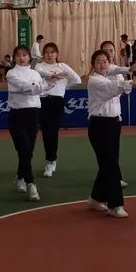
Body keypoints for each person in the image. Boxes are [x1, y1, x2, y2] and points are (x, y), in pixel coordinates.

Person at [86, 49, 133, 217]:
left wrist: (129, 79)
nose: (102, 64)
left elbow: (122, 90)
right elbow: (111, 89)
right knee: (111, 165)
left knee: (107, 164)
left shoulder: (109, 78)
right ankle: (115, 205)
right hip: (100, 125)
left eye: (105, 61)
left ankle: (96, 198)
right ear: (93, 65)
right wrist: (130, 81)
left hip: (113, 123)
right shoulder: (94, 80)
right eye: (98, 62)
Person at [6, 45, 46, 202]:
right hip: (17, 114)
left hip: (33, 113)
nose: (21, 58)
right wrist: (40, 86)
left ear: (29, 57)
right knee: (24, 148)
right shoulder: (11, 73)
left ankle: (20, 176)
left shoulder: (35, 73)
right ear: (14, 58)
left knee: (28, 150)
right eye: (18, 55)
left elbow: (39, 90)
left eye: (24, 55)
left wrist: (41, 87)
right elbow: (24, 87)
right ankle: (31, 183)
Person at [35, 42, 82, 177]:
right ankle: (49, 159)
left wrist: (63, 87)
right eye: (47, 52)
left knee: (53, 131)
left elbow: (77, 80)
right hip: (42, 100)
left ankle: (51, 161)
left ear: (57, 54)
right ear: (43, 55)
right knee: (45, 132)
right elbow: (39, 73)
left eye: (52, 52)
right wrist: (54, 76)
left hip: (57, 101)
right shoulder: (39, 66)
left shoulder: (62, 66)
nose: (49, 55)